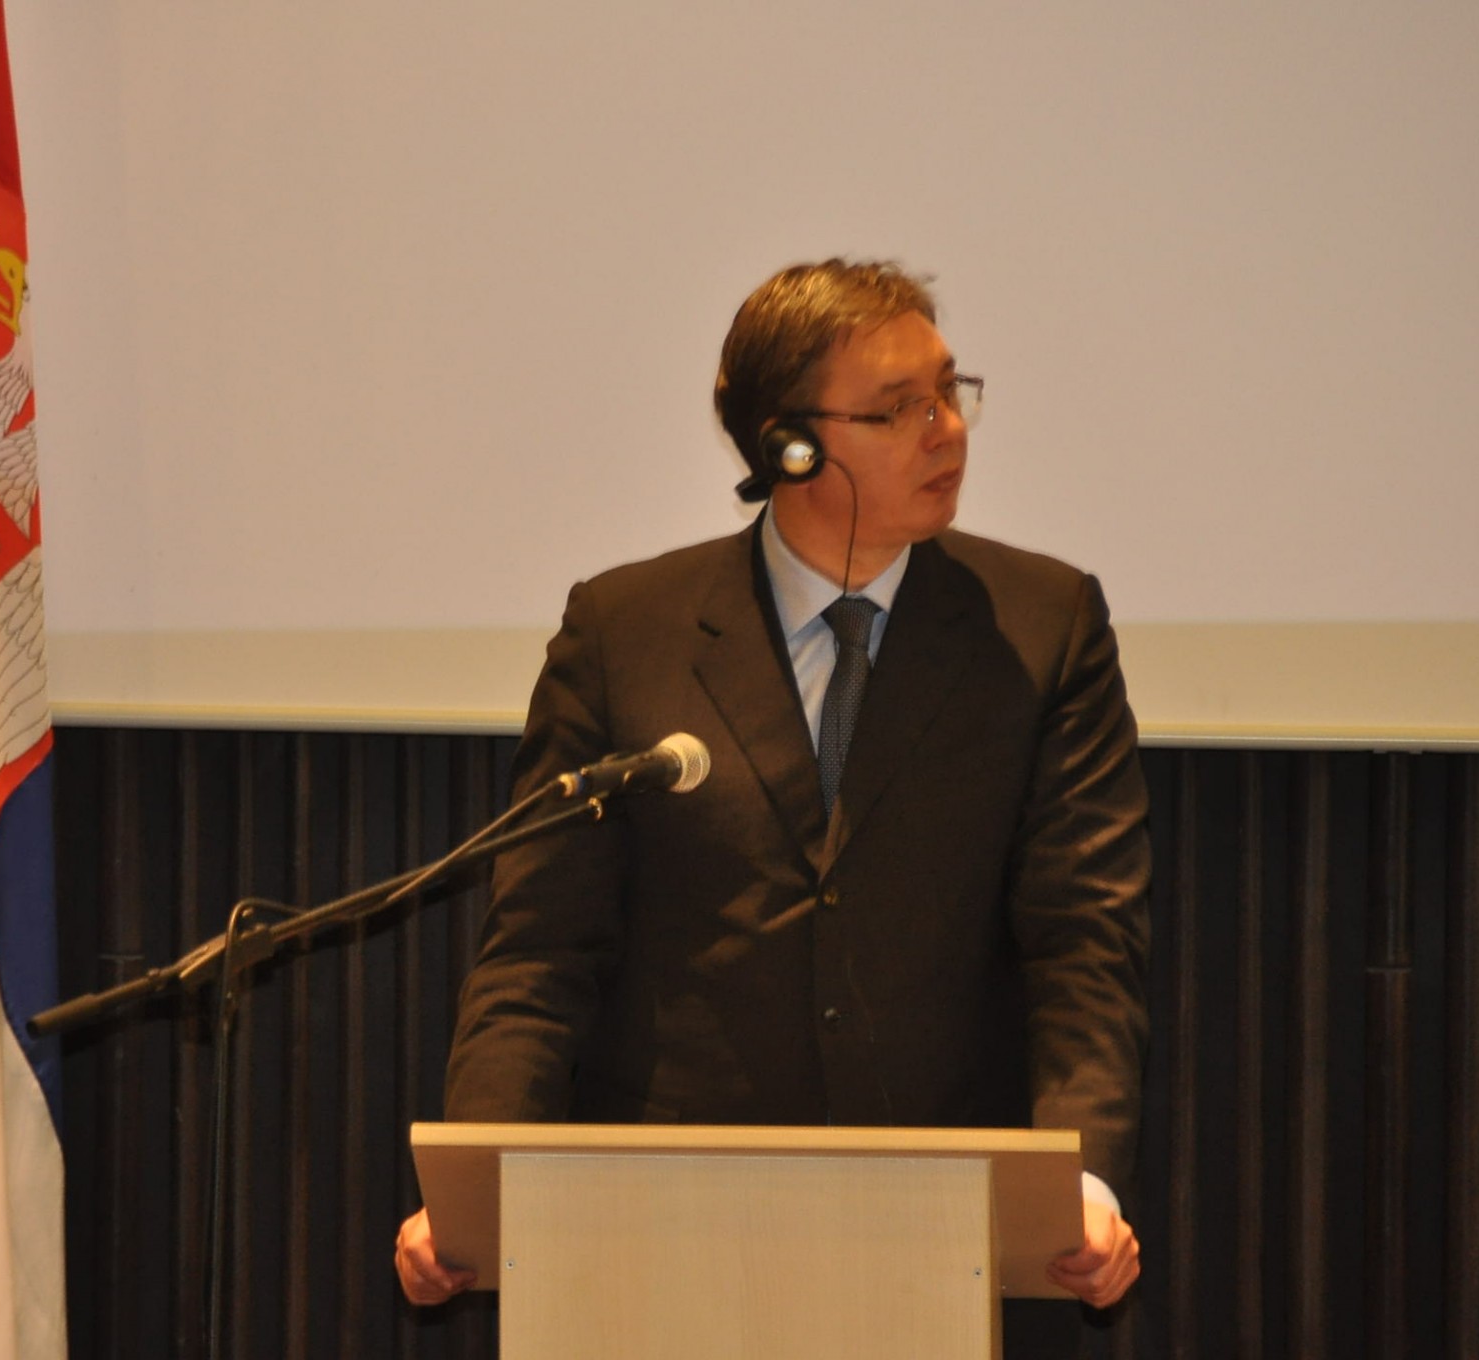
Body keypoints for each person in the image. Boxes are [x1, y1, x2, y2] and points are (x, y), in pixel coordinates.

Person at [394, 258, 1150, 1353]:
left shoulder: (1042, 626)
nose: (945, 430)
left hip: (942, 1232)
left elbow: (1083, 942)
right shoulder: (624, 632)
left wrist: (1081, 1183)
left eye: (949, 393)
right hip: (659, 1233)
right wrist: (478, 1185)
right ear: (786, 448)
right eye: (898, 408)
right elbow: (542, 949)